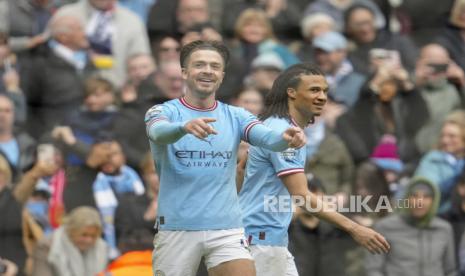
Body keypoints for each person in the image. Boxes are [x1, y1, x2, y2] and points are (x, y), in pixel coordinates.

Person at [145, 40, 307, 276]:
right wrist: (184, 127)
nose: (207, 70)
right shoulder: (164, 111)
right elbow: (157, 132)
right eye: (199, 64)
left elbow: (266, 138)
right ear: (185, 72)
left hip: (227, 228)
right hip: (177, 226)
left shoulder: (236, 115)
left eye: (214, 66)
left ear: (222, 74)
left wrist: (286, 137)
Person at [238, 63, 390, 276]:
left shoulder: (271, 124)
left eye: (325, 91)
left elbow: (240, 171)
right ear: (291, 93)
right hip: (262, 241)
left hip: (259, 237)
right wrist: (355, 228)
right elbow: (301, 196)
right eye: (314, 90)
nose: (322, 97)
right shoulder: (285, 133)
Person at [365, 178, 457, 276]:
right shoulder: (385, 227)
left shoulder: (444, 229)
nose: (419, 202)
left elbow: (450, 270)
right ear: (406, 198)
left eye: (426, 197)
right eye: (414, 196)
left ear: (434, 201)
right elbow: (373, 269)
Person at [31, 206, 108, 276]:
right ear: (71, 231)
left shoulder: (102, 248)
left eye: (93, 236)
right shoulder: (47, 246)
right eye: (84, 235)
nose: (89, 240)